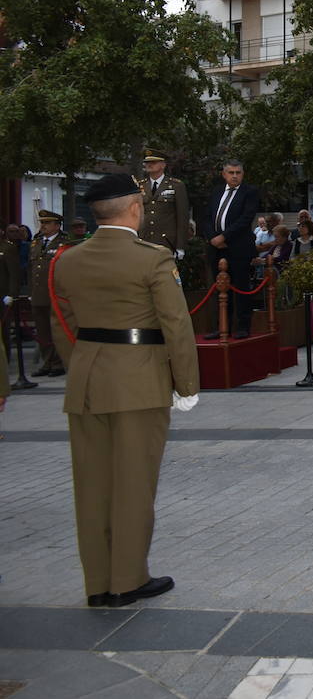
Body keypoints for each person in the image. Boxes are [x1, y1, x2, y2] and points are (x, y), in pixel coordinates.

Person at [50, 173, 199, 608]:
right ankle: (128, 580)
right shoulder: (152, 258)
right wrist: (186, 385)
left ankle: (97, 582)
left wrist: (83, 366)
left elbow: (64, 325)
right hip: (139, 382)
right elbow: (175, 324)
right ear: (135, 208)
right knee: (134, 483)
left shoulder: (67, 260)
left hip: (86, 382)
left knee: (92, 486)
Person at [201, 160, 260, 339]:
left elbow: (245, 218)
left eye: (238, 172)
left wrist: (224, 237)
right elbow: (207, 217)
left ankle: (243, 326)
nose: (234, 176)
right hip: (217, 248)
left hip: (238, 248)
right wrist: (213, 238)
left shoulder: (249, 192)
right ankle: (222, 326)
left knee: (241, 288)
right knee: (220, 289)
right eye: (231, 172)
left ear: (243, 174)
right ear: (224, 174)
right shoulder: (217, 191)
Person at [30, 209, 69, 375]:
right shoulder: (37, 243)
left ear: (57, 225)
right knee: (42, 332)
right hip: (38, 295)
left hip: (56, 295)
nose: (43, 226)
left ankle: (58, 363)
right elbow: (32, 270)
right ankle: (47, 362)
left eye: (47, 223)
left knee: (57, 331)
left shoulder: (65, 243)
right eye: (42, 223)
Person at [138, 149, 189, 257]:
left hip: (166, 241)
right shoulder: (140, 186)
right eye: (147, 162)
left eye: (153, 162)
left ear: (163, 165)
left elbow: (182, 217)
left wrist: (180, 246)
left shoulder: (176, 185)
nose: (149, 165)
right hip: (144, 240)